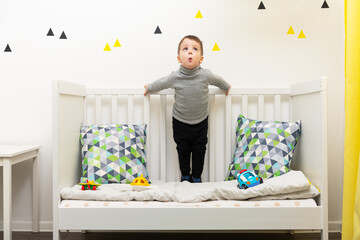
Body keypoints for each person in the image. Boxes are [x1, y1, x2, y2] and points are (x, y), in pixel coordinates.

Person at [144, 35, 231, 183]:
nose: (190, 52)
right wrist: (149, 87)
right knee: (182, 149)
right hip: (180, 121)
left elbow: (218, 80)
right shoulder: (175, 77)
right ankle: (185, 176)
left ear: (201, 59)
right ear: (179, 58)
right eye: (185, 49)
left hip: (201, 121)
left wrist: (226, 87)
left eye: (194, 49)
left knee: (199, 149)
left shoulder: (205, 75)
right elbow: (162, 83)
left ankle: (197, 177)